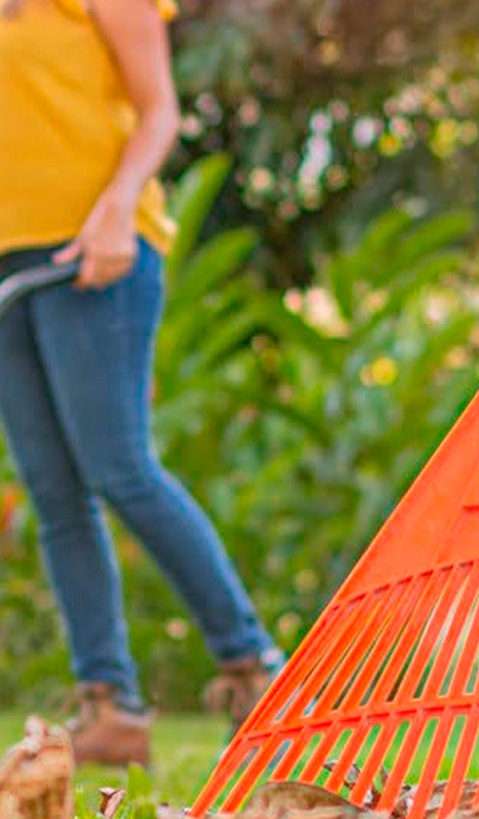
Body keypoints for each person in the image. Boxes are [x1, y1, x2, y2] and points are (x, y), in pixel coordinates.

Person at [0, 0, 282, 767]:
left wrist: (118, 208)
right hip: (10, 262)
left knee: (119, 469)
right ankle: (110, 705)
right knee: (53, 492)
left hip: (99, 249)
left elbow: (159, 110)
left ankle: (255, 666)